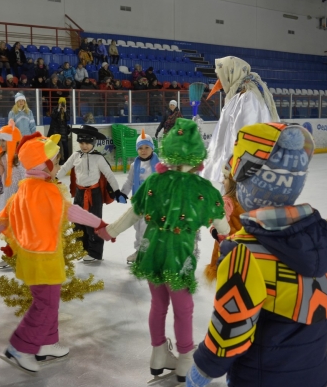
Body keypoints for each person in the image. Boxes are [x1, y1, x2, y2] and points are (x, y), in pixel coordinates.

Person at [186, 122, 327, 387]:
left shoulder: (243, 252)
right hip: (314, 370)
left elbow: (231, 329)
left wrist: (202, 370)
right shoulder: (319, 235)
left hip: (261, 376)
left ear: (247, 183)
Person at [94, 118, 229, 385]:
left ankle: (158, 354)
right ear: (196, 151)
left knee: (158, 305)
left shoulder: (155, 180)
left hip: (153, 250)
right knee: (184, 308)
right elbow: (223, 226)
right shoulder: (202, 188)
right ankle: (186, 359)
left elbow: (133, 213)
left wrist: (109, 231)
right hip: (179, 255)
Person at [0, 131, 107, 373]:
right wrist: (100, 225)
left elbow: (2, 219)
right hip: (44, 258)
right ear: (45, 164)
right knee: (45, 305)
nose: (58, 166)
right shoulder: (46, 190)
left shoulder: (24, 189)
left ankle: (47, 343)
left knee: (49, 301)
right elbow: (72, 212)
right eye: (56, 162)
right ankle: (20, 347)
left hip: (34, 258)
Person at [201, 56, 279, 185]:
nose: (219, 81)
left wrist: (233, 169)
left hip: (244, 171)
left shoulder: (248, 98)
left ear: (231, 72)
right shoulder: (241, 95)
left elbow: (245, 136)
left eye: (221, 75)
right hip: (238, 169)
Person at [57, 125, 127, 262]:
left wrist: (117, 191)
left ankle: (94, 253)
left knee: (93, 223)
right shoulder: (76, 155)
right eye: (81, 143)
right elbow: (65, 167)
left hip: (94, 195)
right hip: (79, 193)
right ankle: (81, 249)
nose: (84, 146)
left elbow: (109, 175)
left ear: (93, 142)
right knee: (77, 222)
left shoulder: (98, 158)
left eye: (87, 143)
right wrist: (54, 179)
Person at [0, 122, 25, 269]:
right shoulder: (1, 157)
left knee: (16, 228)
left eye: (4, 140)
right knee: (7, 227)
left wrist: (22, 195)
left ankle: (17, 255)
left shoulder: (19, 158)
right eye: (0, 140)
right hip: (5, 196)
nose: (1, 143)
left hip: (16, 197)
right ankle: (12, 254)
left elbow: (23, 178)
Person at [120, 130, 160, 264]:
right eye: (140, 148)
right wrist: (123, 193)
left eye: (147, 147)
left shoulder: (159, 165)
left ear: (152, 148)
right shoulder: (134, 165)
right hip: (139, 202)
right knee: (138, 228)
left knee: (148, 228)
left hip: (153, 203)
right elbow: (129, 181)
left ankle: (150, 253)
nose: (143, 151)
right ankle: (139, 251)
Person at [203, 164, 244, 284]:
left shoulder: (227, 201)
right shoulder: (249, 203)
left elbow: (218, 219)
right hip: (245, 249)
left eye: (225, 178)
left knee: (225, 279)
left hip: (226, 249)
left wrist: (215, 232)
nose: (222, 181)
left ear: (234, 182)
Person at [48, 97, 70, 164]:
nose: (62, 104)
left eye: (63, 103)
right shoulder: (55, 109)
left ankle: (67, 160)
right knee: (57, 148)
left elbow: (68, 118)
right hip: (56, 131)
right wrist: (58, 110)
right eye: (61, 103)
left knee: (65, 146)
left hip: (63, 131)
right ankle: (59, 160)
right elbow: (53, 117)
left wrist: (65, 111)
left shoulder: (66, 110)